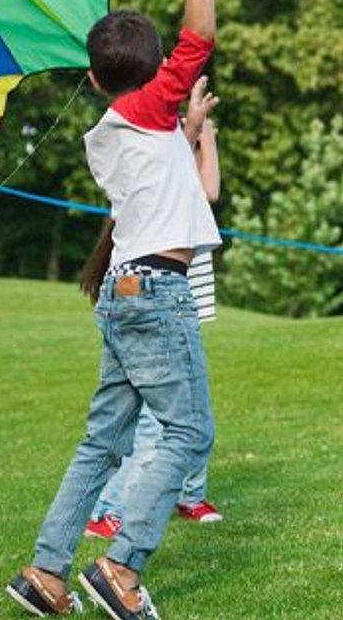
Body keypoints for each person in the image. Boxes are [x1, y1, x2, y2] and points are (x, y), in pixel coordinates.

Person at [5, 0, 218, 620]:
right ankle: (119, 569)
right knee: (191, 432)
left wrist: (185, 124)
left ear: (93, 79)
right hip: (155, 298)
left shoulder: (117, 128)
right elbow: (201, 40)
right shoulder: (146, 107)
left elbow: (163, 159)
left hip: (126, 294)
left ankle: (46, 572)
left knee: (104, 442)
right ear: (150, 78)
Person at [85, 75, 225, 540]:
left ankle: (186, 493)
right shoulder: (150, 145)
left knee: (178, 415)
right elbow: (205, 189)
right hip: (156, 293)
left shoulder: (157, 143)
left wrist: (201, 134)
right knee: (161, 423)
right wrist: (199, 134)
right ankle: (110, 511)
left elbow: (200, 186)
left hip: (167, 294)